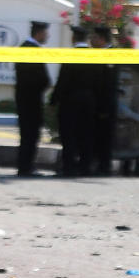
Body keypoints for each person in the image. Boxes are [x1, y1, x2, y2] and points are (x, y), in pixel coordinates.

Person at [50, 26, 97, 176]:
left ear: (73, 38)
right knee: (86, 134)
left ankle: (68, 166)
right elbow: (99, 81)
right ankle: (85, 166)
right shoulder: (94, 56)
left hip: (70, 101)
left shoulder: (71, 55)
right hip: (89, 101)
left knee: (68, 134)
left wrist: (53, 100)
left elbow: (63, 80)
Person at [14, 20, 51, 177]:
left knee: (28, 134)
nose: (47, 36)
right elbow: (36, 78)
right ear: (39, 33)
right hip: (30, 99)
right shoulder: (32, 49)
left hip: (26, 99)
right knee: (30, 134)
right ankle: (26, 167)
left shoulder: (24, 47)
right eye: (45, 33)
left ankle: (25, 165)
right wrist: (45, 83)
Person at [91, 26, 118, 176]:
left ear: (101, 39)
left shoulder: (110, 54)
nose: (92, 41)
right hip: (99, 104)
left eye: (94, 37)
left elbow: (108, 84)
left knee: (105, 137)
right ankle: (100, 164)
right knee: (99, 137)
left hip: (105, 105)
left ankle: (104, 166)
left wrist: (104, 108)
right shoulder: (101, 53)